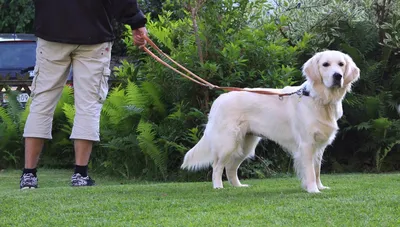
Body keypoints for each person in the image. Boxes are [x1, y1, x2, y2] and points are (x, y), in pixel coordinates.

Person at [20, 0, 147, 189]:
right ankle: (80, 175)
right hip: (94, 33)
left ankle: (29, 175)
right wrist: (136, 22)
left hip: (51, 30)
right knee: (88, 105)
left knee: (42, 103)